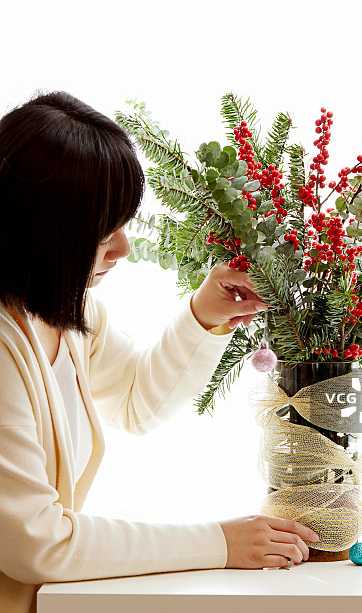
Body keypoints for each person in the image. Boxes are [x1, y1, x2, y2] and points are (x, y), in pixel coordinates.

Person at [0, 91, 319, 613]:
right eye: (102, 231)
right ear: (41, 230)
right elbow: (38, 542)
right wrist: (221, 543)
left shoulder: (66, 313)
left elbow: (135, 402)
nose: (123, 248)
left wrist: (204, 316)